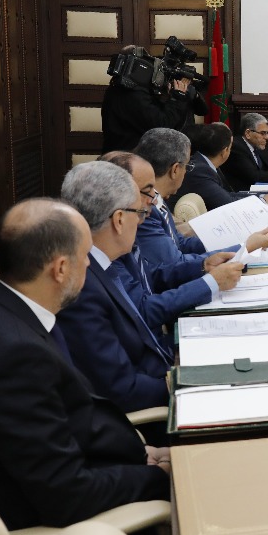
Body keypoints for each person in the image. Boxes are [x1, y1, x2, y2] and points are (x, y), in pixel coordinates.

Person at [0, 198, 169, 532]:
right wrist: (159, 477)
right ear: (60, 269)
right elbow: (67, 494)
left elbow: (68, 421)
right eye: (85, 255)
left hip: (109, 460)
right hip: (86, 534)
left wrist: (142, 453)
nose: (90, 264)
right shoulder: (14, 358)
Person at [56, 161, 172, 413]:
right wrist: (184, 385)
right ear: (119, 219)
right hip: (150, 409)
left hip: (163, 368)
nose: (141, 220)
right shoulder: (81, 285)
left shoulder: (103, 263)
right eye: (138, 212)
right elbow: (121, 389)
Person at [102, 151, 242, 332]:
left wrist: (203, 265)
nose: (154, 201)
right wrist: (211, 283)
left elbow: (151, 275)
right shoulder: (105, 252)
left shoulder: (123, 235)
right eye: (147, 191)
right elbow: (143, 310)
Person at [132, 128, 268, 274]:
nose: (187, 171)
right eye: (187, 166)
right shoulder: (145, 208)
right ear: (175, 170)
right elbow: (172, 267)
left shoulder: (158, 198)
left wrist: (239, 242)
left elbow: (181, 243)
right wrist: (243, 248)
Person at [100, 44, 204, 152]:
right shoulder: (133, 94)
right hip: (130, 158)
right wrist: (178, 97)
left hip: (118, 154)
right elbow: (162, 126)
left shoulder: (114, 89)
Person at [172, 123, 268, 211]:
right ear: (225, 151)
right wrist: (263, 201)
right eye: (230, 147)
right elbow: (227, 203)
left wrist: (262, 196)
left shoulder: (204, 163)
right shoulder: (200, 170)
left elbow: (228, 195)